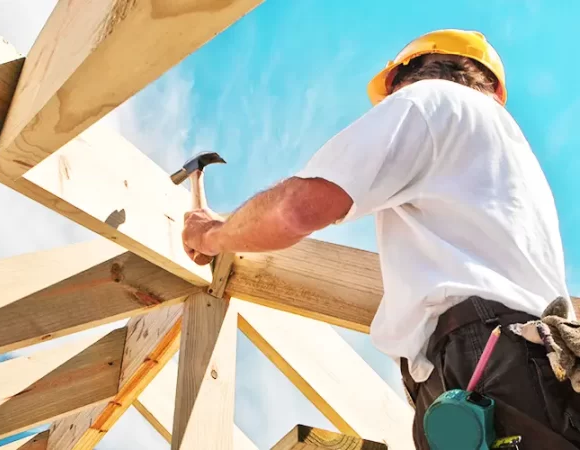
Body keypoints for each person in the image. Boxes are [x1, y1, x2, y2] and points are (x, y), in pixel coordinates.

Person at [182, 29, 580, 449]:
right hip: (536, 373)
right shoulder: (508, 156)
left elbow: (297, 208)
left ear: (404, 76)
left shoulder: (430, 101)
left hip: (484, 360)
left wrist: (212, 234)